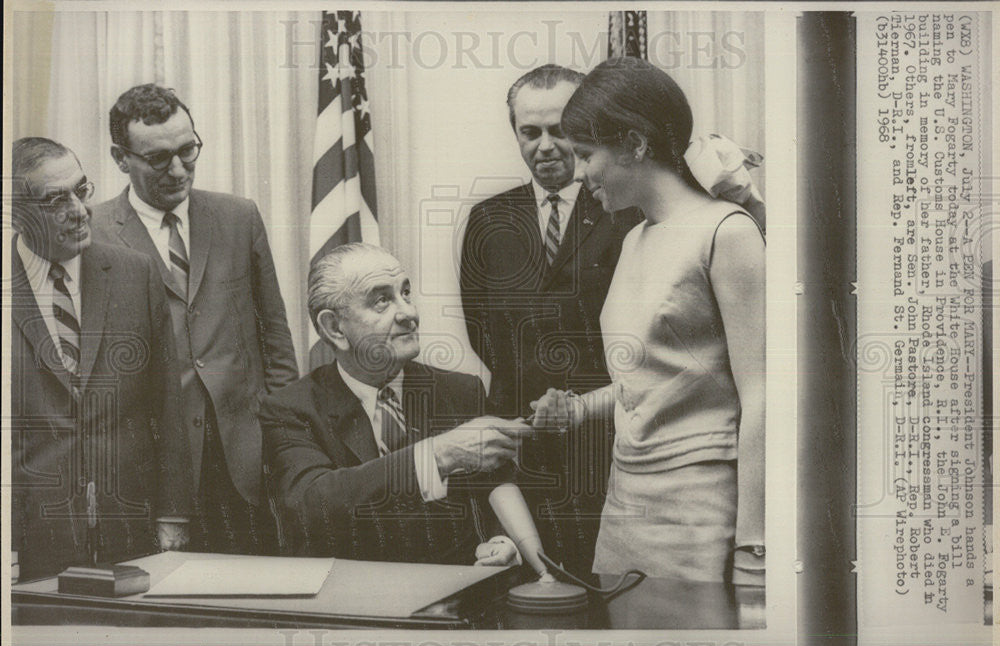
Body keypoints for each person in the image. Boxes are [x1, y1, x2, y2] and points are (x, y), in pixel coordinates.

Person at [532, 57, 766, 585]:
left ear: (635, 144)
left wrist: (756, 547)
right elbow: (655, 380)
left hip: (699, 519)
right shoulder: (635, 237)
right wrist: (576, 410)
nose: (579, 173)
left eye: (587, 155)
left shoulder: (726, 232)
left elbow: (764, 397)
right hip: (624, 513)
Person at [90, 84, 299, 555]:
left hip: (245, 460)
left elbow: (276, 341)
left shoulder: (238, 216)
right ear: (121, 158)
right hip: (153, 470)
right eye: (159, 158)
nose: (179, 169)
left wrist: (288, 445)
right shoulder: (93, 234)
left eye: (188, 150)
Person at [459, 65, 641, 576]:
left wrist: (582, 401)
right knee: (528, 587)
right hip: (519, 448)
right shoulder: (489, 219)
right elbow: (482, 330)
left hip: (609, 444)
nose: (545, 146)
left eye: (559, 130)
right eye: (529, 132)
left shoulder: (625, 210)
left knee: (605, 589)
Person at [260, 243, 530, 564]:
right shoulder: (290, 409)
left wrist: (503, 542)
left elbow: (495, 487)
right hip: (353, 599)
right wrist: (437, 455)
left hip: (448, 596)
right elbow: (312, 508)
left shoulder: (460, 390)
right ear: (334, 328)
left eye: (406, 293)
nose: (409, 313)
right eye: (382, 300)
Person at [11, 137, 192, 581]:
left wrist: (173, 514)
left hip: (130, 525)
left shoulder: (134, 272)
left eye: (82, 189)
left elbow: (167, 403)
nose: (79, 210)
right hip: (32, 537)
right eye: (56, 200)